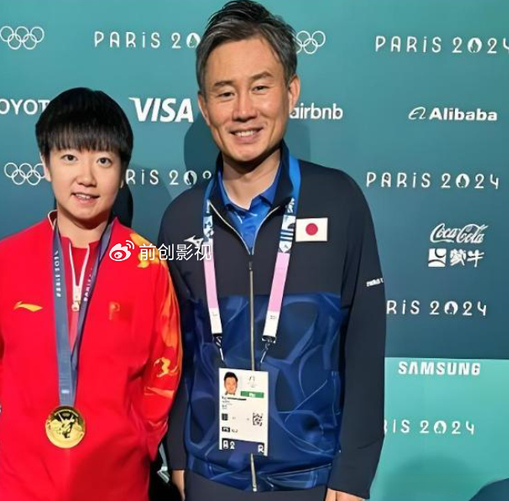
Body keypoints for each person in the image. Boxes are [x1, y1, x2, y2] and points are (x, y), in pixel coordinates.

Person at [159, 2, 386, 500]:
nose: (243, 110)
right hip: (208, 479)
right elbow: (174, 356)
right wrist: (178, 457)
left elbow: (365, 346)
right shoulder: (181, 218)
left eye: (260, 87)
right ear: (204, 107)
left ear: (291, 91)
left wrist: (353, 475)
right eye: (225, 92)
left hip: (313, 482)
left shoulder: (339, 201)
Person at [0, 87, 182, 501]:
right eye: (70, 157)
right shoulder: (7, 258)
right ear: (45, 164)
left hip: (117, 478)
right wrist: (26, 401)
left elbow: (164, 367)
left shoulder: (146, 262)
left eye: (103, 160)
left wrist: (137, 434)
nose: (87, 177)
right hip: (24, 478)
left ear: (122, 171)